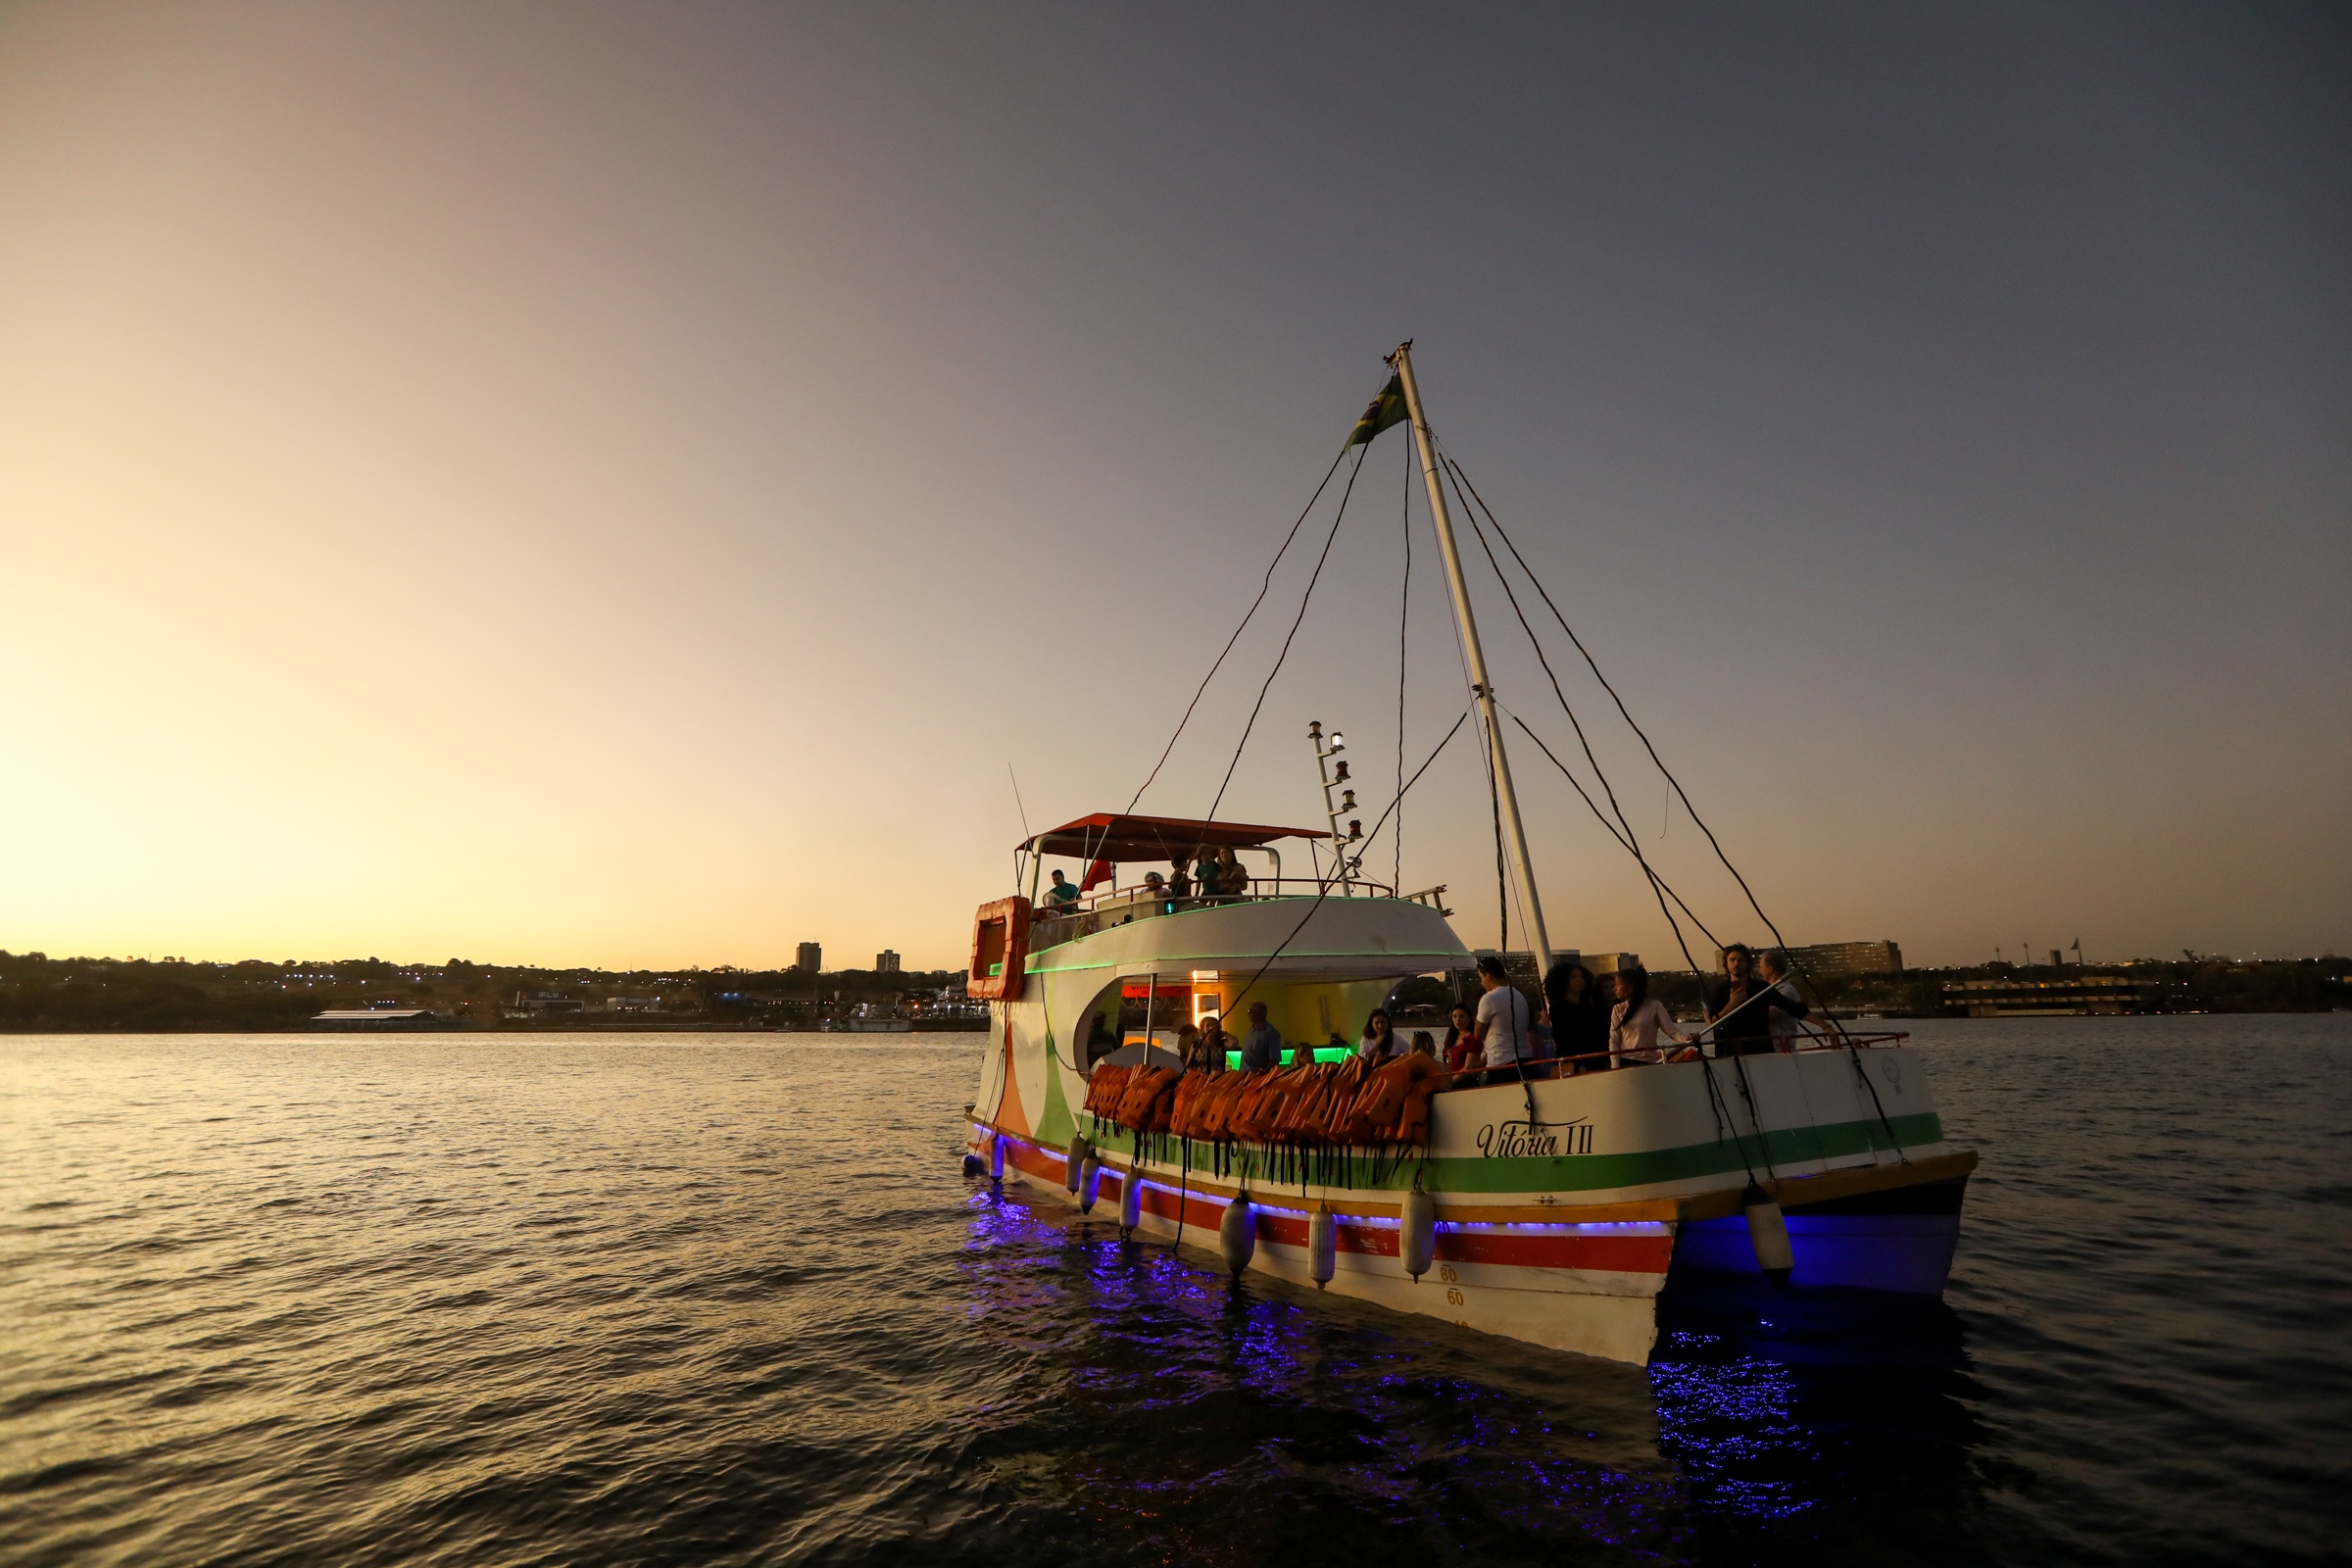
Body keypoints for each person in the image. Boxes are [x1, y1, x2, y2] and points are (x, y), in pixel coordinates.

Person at [1705, 943, 1807, 1057]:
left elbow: (1791, 1006)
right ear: (1726, 963)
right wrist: (1731, 1005)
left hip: (1761, 1052)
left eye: (1740, 960)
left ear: (1747, 963)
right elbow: (1715, 1023)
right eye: (1732, 960)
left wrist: (1822, 1024)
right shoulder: (1718, 991)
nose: (1736, 964)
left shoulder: (1761, 988)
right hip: (1731, 1054)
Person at [1608, 964, 1693, 1067]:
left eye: (1617, 985)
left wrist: (1686, 1039)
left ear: (1629, 988)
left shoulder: (1654, 1006)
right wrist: (1615, 1067)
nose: (1614, 989)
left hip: (1648, 1062)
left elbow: (1672, 1031)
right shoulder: (1618, 1009)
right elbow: (1614, 1040)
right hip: (1626, 1062)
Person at [1473, 956, 1534, 1082]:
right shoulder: (1518, 995)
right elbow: (1503, 1038)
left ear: (1488, 976)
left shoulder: (1489, 998)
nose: (1481, 982)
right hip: (1525, 1061)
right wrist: (1482, 1063)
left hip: (1502, 1066)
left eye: (1481, 977)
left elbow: (1478, 1034)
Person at [1545, 961, 1609, 1074]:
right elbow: (1563, 1040)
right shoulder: (1558, 1007)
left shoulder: (1587, 1006)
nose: (1579, 980)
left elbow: (1595, 1035)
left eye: (1582, 977)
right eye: (1573, 977)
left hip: (1594, 1060)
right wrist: (1578, 1064)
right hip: (1573, 1063)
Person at [1756, 951, 1810, 1052]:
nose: (1759, 971)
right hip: (1772, 1048)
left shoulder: (1786, 991)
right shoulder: (1769, 990)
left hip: (1781, 1049)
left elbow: (1765, 1016)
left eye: (1760, 967)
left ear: (1770, 969)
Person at [1239, 1001, 1285, 1072]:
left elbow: (1274, 1060)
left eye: (1251, 1011)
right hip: (1244, 1073)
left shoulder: (1271, 1032)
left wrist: (1263, 1073)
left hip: (1256, 1075)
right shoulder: (1251, 1031)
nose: (1249, 1013)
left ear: (1262, 1013)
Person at [1442, 1004, 1481, 1074]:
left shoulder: (1472, 1039)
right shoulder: (1451, 1038)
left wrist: (1452, 1080)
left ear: (1469, 1018)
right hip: (1449, 1076)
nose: (1457, 1020)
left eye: (1461, 1016)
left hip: (1463, 1078)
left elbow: (1468, 1068)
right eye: (1454, 1016)